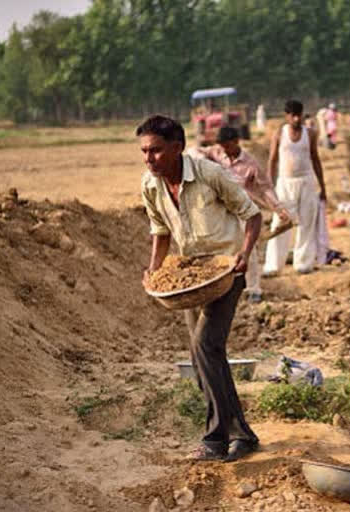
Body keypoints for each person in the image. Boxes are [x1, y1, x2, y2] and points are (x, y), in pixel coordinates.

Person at [138, 115, 262, 462]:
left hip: (225, 272)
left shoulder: (210, 174)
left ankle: (215, 439)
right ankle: (243, 435)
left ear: (177, 148)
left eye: (157, 151)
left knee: (206, 344)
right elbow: (160, 231)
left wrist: (244, 254)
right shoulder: (150, 185)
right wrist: (155, 269)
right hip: (191, 277)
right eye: (145, 151)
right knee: (204, 354)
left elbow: (252, 215)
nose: (150, 158)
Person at [191, 126, 291, 303]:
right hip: (222, 212)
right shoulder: (216, 153)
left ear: (236, 142)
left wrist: (277, 207)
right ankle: (224, 287)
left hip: (244, 212)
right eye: (221, 146)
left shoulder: (250, 164)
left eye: (227, 146)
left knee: (248, 251)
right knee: (223, 250)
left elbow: (265, 188)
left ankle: (254, 289)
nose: (224, 150)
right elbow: (194, 151)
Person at [263, 100, 328, 276]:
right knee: (280, 223)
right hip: (285, 183)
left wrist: (323, 187)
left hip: (306, 182)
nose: (297, 118)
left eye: (299, 114)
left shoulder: (310, 134)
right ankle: (273, 265)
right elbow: (272, 160)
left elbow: (316, 159)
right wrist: (270, 188)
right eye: (293, 115)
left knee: (307, 222)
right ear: (287, 116)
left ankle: (303, 263)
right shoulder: (279, 134)